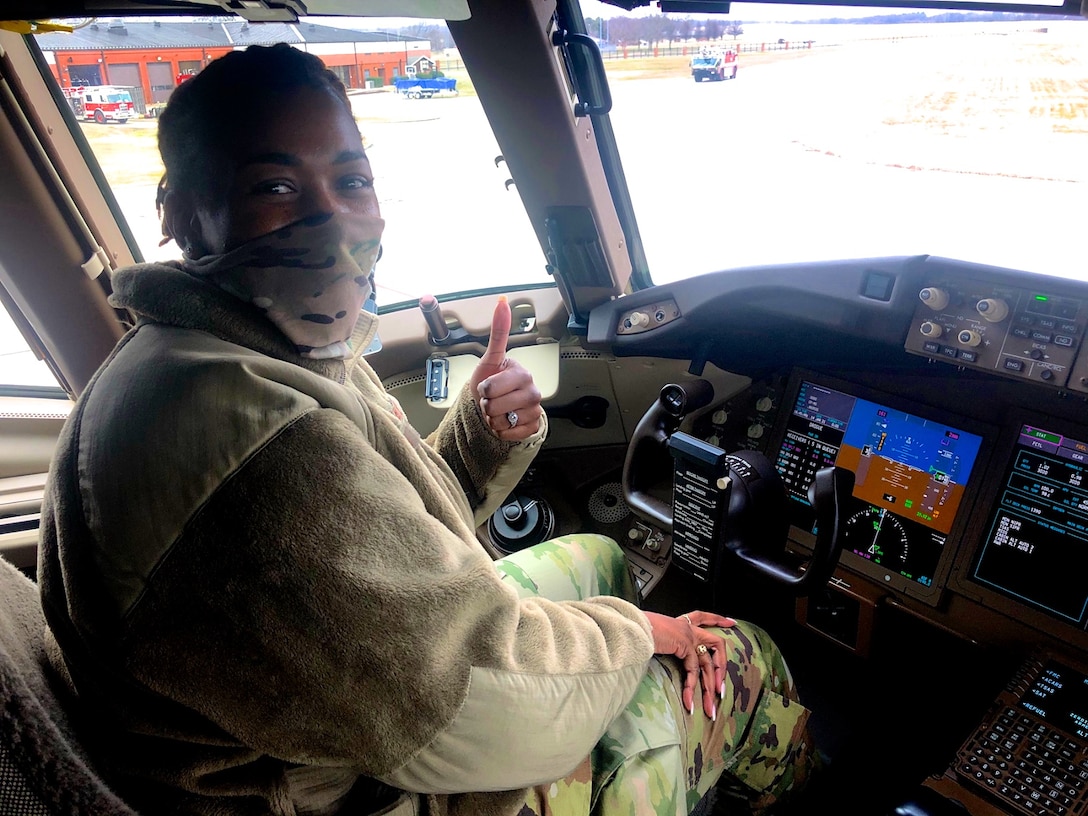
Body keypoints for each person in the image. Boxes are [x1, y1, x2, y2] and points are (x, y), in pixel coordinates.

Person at [36, 44, 818, 816]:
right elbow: (487, 716)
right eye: (274, 185)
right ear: (178, 213)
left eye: (351, 181)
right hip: (369, 792)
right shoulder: (254, 443)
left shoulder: (223, 352)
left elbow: (369, 534)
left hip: (336, 723)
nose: (330, 219)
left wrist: (478, 438)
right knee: (730, 660)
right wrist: (644, 635)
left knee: (601, 559)